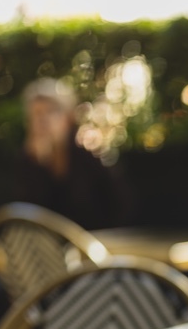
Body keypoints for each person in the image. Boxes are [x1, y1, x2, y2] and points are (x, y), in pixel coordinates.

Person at [16, 77, 133, 230]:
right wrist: (39, 166)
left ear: (67, 119)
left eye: (50, 112)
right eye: (37, 114)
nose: (42, 121)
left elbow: (120, 205)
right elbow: (29, 215)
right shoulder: (28, 160)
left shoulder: (89, 153)